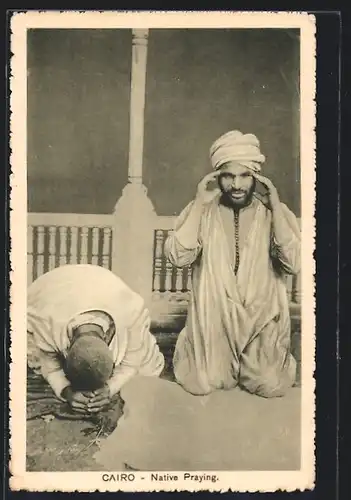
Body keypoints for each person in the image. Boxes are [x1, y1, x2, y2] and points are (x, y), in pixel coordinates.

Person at [165, 130, 301, 398]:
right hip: (215, 318)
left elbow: (294, 264)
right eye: (228, 175)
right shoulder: (202, 211)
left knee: (269, 383)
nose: (236, 185)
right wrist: (198, 204)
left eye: (245, 175)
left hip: (261, 319)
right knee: (206, 381)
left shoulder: (275, 213)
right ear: (217, 177)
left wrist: (274, 203)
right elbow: (178, 256)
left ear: (256, 178)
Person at [27, 264, 165, 414]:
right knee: (31, 356)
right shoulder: (46, 322)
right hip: (52, 287)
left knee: (147, 369)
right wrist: (67, 392)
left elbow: (130, 365)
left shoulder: (132, 313)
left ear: (107, 336)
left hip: (103, 284)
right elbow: (51, 368)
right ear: (68, 344)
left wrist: (109, 389)